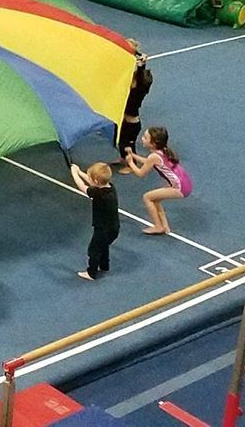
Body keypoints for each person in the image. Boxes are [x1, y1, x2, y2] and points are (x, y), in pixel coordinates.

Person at [123, 126, 192, 235]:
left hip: (180, 187)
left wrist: (130, 162)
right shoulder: (162, 151)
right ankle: (164, 226)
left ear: (153, 143)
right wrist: (134, 155)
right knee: (155, 199)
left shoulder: (154, 156)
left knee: (147, 197)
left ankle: (158, 226)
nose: (142, 139)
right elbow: (148, 161)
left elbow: (141, 173)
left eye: (145, 138)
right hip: (184, 182)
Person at [70, 162, 119, 281]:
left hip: (102, 228)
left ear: (96, 181)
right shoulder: (110, 187)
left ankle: (91, 273)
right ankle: (104, 265)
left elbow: (83, 187)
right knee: (103, 245)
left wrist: (74, 173)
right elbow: (92, 181)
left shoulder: (98, 194)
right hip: (114, 228)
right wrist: (80, 171)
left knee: (94, 249)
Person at [115, 40, 152, 172]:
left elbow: (140, 75)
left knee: (127, 144)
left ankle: (131, 164)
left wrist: (142, 64)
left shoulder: (139, 91)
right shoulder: (133, 88)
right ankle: (123, 158)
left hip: (132, 124)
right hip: (126, 120)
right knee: (120, 141)